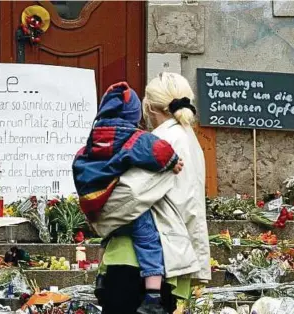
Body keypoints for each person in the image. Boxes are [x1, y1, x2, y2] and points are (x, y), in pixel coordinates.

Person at [91, 72, 211, 314]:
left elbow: (130, 195)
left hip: (132, 259)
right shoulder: (191, 139)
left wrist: (96, 211)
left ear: (149, 106)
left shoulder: (159, 140)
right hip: (166, 261)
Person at [72, 81, 184, 314]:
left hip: (101, 201)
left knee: (110, 233)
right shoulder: (132, 137)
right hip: (129, 210)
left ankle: (101, 277)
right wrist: (173, 162)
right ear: (135, 114)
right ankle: (152, 295)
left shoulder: (95, 138)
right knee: (148, 238)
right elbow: (156, 151)